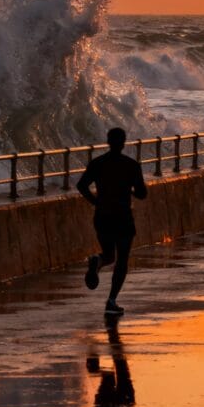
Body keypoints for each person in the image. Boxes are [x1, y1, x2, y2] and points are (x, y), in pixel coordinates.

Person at [78, 127, 148, 316]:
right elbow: (142, 193)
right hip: (123, 217)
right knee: (121, 260)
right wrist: (130, 191)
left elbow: (81, 185)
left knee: (109, 255)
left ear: (108, 141)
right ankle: (111, 300)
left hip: (102, 216)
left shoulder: (98, 163)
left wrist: (96, 202)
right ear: (123, 143)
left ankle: (97, 261)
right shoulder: (131, 165)